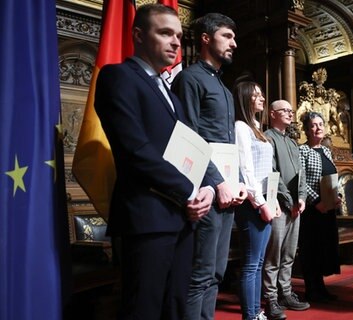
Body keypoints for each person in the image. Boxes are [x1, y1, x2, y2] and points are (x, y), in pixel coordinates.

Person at [93, 4, 214, 319]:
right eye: (165, 33)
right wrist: (189, 191)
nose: (175, 42)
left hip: (182, 218)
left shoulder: (172, 96)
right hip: (146, 218)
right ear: (138, 35)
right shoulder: (117, 76)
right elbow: (135, 150)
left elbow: (193, 149)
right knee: (143, 310)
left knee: (174, 309)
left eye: (177, 34)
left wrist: (208, 189)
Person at [171, 12, 247, 319]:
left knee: (217, 272)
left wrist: (238, 181)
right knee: (200, 274)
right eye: (227, 36)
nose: (234, 44)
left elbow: (228, 144)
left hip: (227, 191)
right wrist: (217, 182)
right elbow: (187, 136)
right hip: (204, 189)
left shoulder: (224, 88)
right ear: (206, 38)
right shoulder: (189, 79)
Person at [233, 81, 277, 320]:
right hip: (251, 205)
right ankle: (250, 316)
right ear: (246, 98)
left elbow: (266, 170)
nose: (262, 98)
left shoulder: (257, 127)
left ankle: (255, 312)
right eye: (257, 95)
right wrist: (260, 203)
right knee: (251, 263)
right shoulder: (241, 127)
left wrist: (273, 200)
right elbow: (246, 170)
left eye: (262, 93)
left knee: (259, 262)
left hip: (263, 201)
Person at [263, 100, 310, 319]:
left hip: (294, 206)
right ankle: (271, 297)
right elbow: (272, 173)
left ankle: (286, 292)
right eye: (285, 111)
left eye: (292, 111)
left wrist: (301, 197)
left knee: (290, 253)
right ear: (272, 114)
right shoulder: (267, 137)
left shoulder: (292, 142)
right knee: (274, 254)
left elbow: (301, 174)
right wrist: (289, 199)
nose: (291, 114)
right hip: (278, 206)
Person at [298, 112, 341, 302]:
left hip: (328, 208)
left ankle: (320, 288)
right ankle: (311, 290)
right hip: (311, 209)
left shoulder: (326, 150)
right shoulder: (303, 151)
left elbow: (332, 177)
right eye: (313, 125)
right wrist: (317, 202)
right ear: (307, 130)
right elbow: (301, 181)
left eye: (321, 124)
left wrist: (337, 196)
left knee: (323, 248)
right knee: (311, 249)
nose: (318, 127)